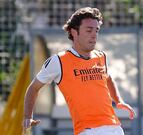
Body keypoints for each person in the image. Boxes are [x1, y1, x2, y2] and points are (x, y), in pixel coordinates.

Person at [22, 7, 136, 135]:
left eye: (96, 30)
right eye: (89, 30)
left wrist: (118, 100)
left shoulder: (101, 56)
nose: (94, 35)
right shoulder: (58, 61)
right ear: (74, 32)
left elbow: (108, 79)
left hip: (114, 128)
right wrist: (27, 117)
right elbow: (33, 88)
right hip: (87, 130)